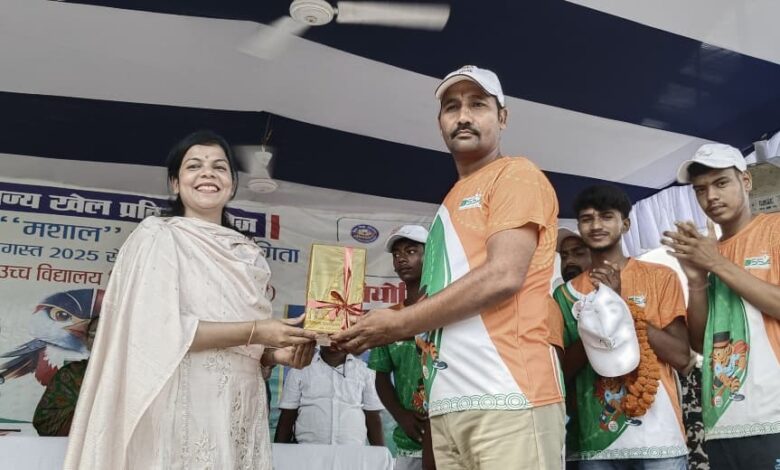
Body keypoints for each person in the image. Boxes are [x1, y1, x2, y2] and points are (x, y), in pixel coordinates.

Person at [334, 65, 564, 469]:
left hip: (508, 396)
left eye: (478, 105)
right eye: (452, 107)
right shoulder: (450, 201)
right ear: (440, 121)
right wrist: (370, 325)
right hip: (448, 404)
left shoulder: (517, 175)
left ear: (503, 117)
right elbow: (436, 303)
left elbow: (503, 275)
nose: (463, 116)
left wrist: (397, 324)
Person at [64, 130, 317, 469]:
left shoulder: (248, 254)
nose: (208, 173)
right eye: (194, 166)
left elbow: (247, 344)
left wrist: (277, 353)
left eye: (219, 167)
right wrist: (258, 331)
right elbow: (157, 331)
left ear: (232, 184)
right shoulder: (158, 236)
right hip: (182, 402)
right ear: (175, 183)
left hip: (239, 404)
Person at [554, 184, 690, 470]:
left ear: (625, 224)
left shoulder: (660, 277)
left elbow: (680, 356)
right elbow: (561, 371)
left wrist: (618, 304)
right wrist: (596, 322)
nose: (596, 225)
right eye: (587, 218)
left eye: (606, 216)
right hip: (597, 444)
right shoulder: (565, 294)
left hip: (658, 438)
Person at [663, 143, 780, 469]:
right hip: (723, 420)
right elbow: (700, 342)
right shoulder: (707, 253)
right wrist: (696, 280)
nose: (710, 197)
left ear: (746, 181)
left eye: (721, 183)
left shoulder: (774, 230)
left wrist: (716, 263)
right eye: (700, 190)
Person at [368, 225, 435, 470]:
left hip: (448, 437)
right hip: (409, 438)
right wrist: (401, 416)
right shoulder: (389, 319)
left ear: (431, 255)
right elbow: (381, 377)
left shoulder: (448, 309)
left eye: (411, 251)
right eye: (397, 254)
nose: (402, 259)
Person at [274, 345, 385, 446]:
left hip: (352, 451)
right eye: (329, 335)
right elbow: (287, 416)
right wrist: (277, 453)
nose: (334, 341)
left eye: (339, 335)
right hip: (308, 450)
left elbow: (373, 417)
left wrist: (380, 453)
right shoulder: (299, 370)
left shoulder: (365, 371)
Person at [33, 318, 99, 436]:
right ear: (86, 341)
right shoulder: (71, 374)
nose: (98, 341)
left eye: (105, 335)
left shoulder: (129, 376)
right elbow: (45, 423)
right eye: (93, 335)